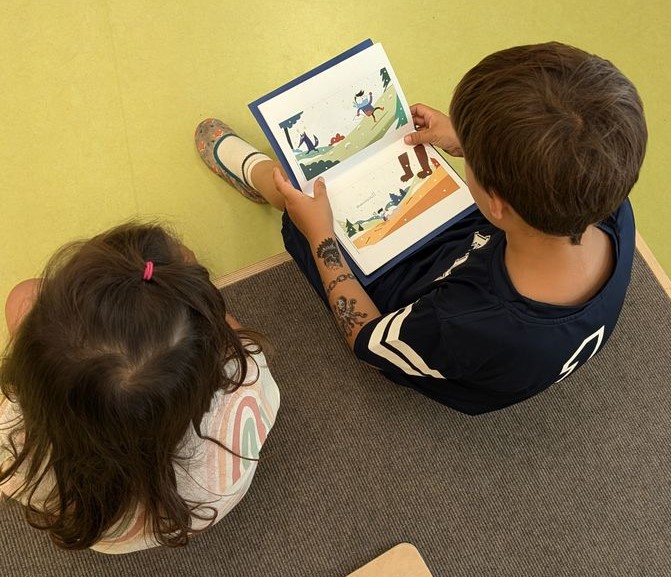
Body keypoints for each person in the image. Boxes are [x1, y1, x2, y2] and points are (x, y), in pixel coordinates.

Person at [194, 41, 647, 415]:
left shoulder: (457, 322)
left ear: (496, 203)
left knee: (304, 205)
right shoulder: (604, 199)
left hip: (435, 320)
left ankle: (261, 177)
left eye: (473, 157)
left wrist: (321, 237)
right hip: (498, 266)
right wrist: (470, 143)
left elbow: (365, 338)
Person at [0, 223, 280, 553]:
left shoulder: (14, 452)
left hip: (110, 535)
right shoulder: (244, 392)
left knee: (22, 296)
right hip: (210, 501)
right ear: (202, 379)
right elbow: (235, 340)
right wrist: (197, 306)